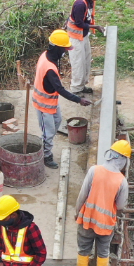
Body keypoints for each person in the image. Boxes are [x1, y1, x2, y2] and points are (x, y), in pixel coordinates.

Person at [73, 139, 131, 266]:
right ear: (123, 160)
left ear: (110, 154)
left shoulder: (94, 170)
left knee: (83, 248)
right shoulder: (122, 182)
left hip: (87, 219)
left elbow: (82, 195)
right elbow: (120, 205)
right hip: (106, 224)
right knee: (104, 250)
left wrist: (77, 211)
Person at [31, 30, 89, 170]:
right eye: (64, 48)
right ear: (56, 48)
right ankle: (46, 156)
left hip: (51, 103)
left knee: (57, 121)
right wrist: (79, 100)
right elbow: (60, 90)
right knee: (49, 132)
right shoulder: (50, 67)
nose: (65, 52)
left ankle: (44, 142)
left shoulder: (46, 55)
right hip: (43, 105)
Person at [66, 0, 108, 95]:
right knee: (78, 64)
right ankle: (76, 90)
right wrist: (96, 26)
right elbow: (79, 23)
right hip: (75, 37)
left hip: (83, 35)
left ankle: (81, 86)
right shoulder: (80, 4)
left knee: (86, 62)